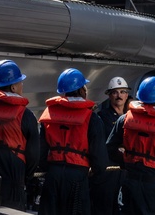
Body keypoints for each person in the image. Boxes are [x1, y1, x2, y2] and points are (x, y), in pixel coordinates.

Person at [38, 68, 109, 215]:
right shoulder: (92, 118)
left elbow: (40, 151)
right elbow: (100, 159)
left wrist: (49, 169)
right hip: (77, 178)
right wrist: (95, 172)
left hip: (53, 175)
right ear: (82, 90)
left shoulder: (49, 114)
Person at [107, 76, 155, 215]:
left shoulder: (124, 119)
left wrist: (125, 163)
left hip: (130, 184)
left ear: (139, 97)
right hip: (154, 187)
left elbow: (110, 148)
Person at [0, 59, 39, 210]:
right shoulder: (26, 115)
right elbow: (33, 155)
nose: (22, 86)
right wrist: (25, 177)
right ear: (13, 87)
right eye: (20, 82)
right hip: (12, 177)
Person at [91, 76, 131, 215]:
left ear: (127, 95)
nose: (119, 95)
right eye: (115, 92)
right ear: (109, 95)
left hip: (124, 173)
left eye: (122, 92)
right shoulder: (102, 117)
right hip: (107, 173)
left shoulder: (131, 118)